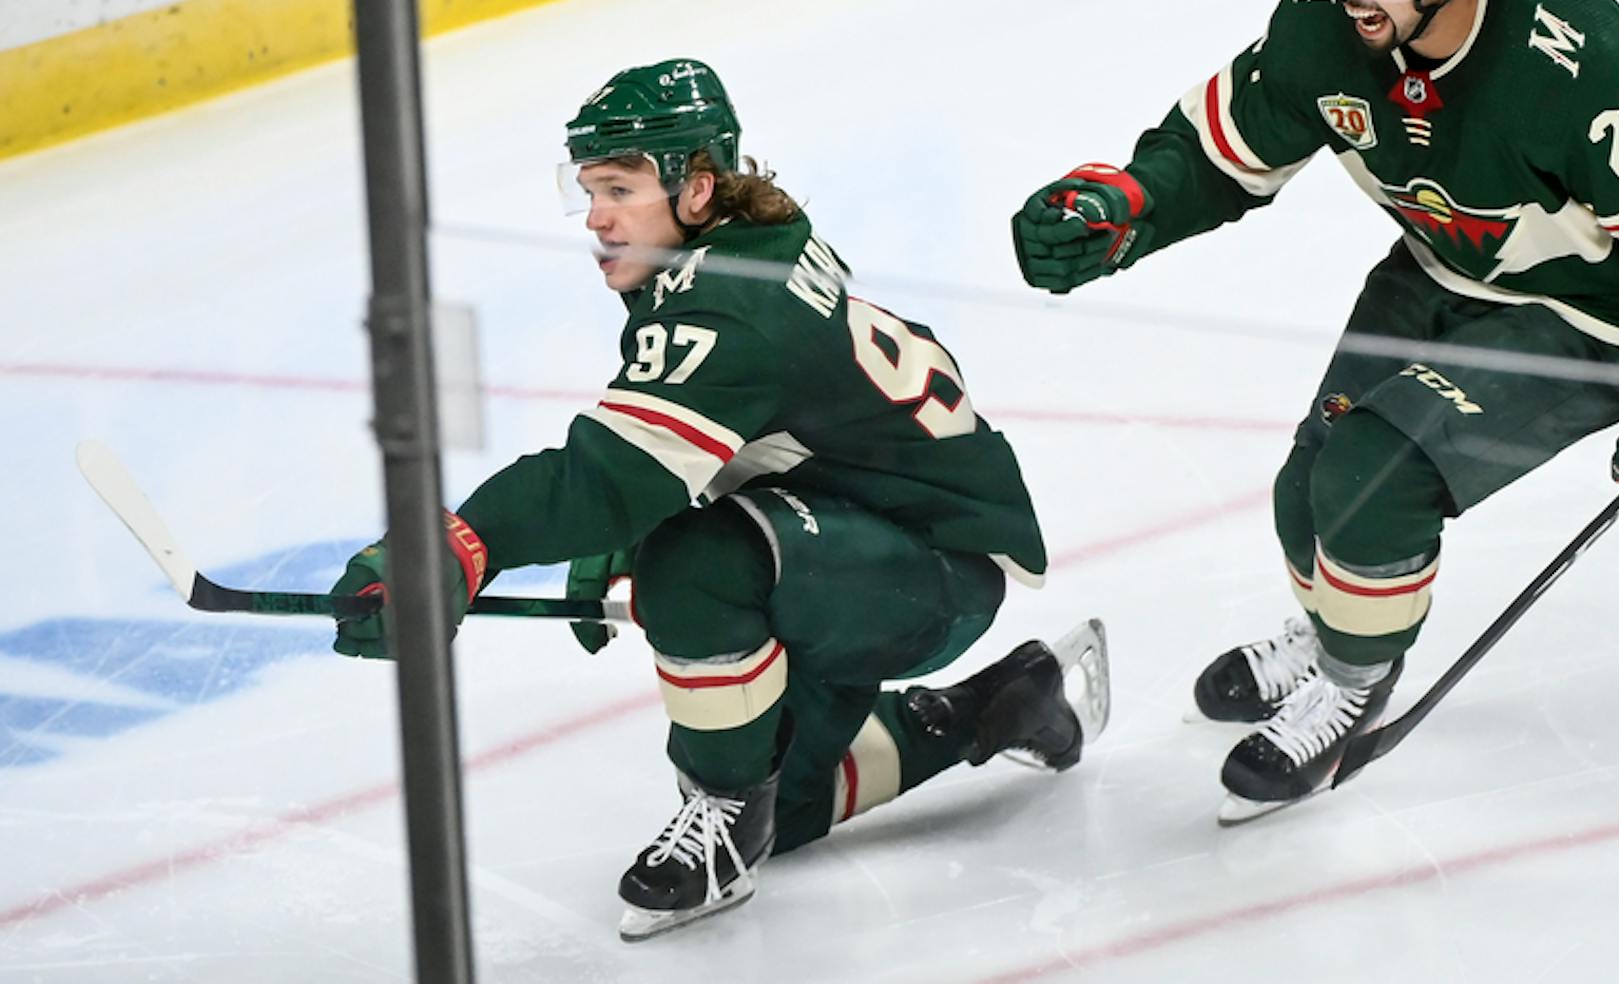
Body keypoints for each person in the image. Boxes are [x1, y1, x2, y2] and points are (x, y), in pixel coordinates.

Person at [1010, 0, 1619, 821]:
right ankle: (1337, 640)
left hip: (1590, 311)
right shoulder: (1322, 22)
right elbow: (1225, 149)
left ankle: (1353, 684)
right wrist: (1130, 204)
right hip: (1443, 268)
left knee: (1373, 474)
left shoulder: (1569, 62)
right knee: (1308, 491)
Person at [330, 58, 1109, 939]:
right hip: (865, 538)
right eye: (589, 192)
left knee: (694, 566)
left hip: (930, 571)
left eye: (620, 189)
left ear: (697, 188)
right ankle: (996, 705)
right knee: (794, 804)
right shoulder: (735, 252)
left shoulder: (725, 300)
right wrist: (637, 509)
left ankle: (722, 819)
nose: (596, 217)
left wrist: (462, 543)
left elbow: (604, 477)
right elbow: (742, 435)